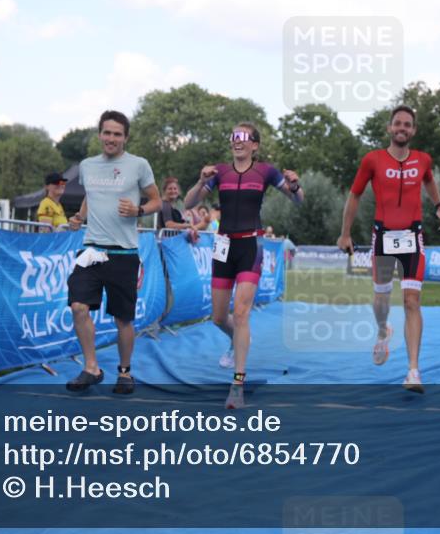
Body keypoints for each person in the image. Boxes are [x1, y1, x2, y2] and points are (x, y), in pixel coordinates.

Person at [184, 122, 304, 408]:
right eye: (233, 136)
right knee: (217, 317)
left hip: (251, 245)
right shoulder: (220, 172)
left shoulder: (266, 171)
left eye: (243, 137)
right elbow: (189, 202)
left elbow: (298, 200)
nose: (237, 141)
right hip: (223, 246)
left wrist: (297, 185)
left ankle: (237, 385)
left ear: (255, 145)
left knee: (240, 314)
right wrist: (201, 181)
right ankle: (237, 341)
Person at [337, 105, 440, 394]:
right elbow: (355, 195)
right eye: (397, 123)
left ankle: (413, 371)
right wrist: (345, 233)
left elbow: (430, 180)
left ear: (413, 130)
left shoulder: (423, 159)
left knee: (412, 301)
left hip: (413, 238)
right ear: (389, 128)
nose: (402, 128)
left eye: (408, 125)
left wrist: (439, 207)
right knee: (382, 299)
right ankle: (383, 328)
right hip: (383, 239)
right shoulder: (372, 160)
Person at [65, 111, 161, 395]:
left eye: (117, 134)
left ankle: (125, 371)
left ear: (125, 138)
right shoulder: (87, 166)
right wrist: (79, 217)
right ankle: (91, 367)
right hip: (91, 250)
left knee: (123, 319)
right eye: (107, 132)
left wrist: (139, 210)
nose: (111, 138)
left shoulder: (138, 165)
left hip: (124, 253)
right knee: (78, 307)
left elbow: (156, 200)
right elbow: (90, 196)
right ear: (99, 135)